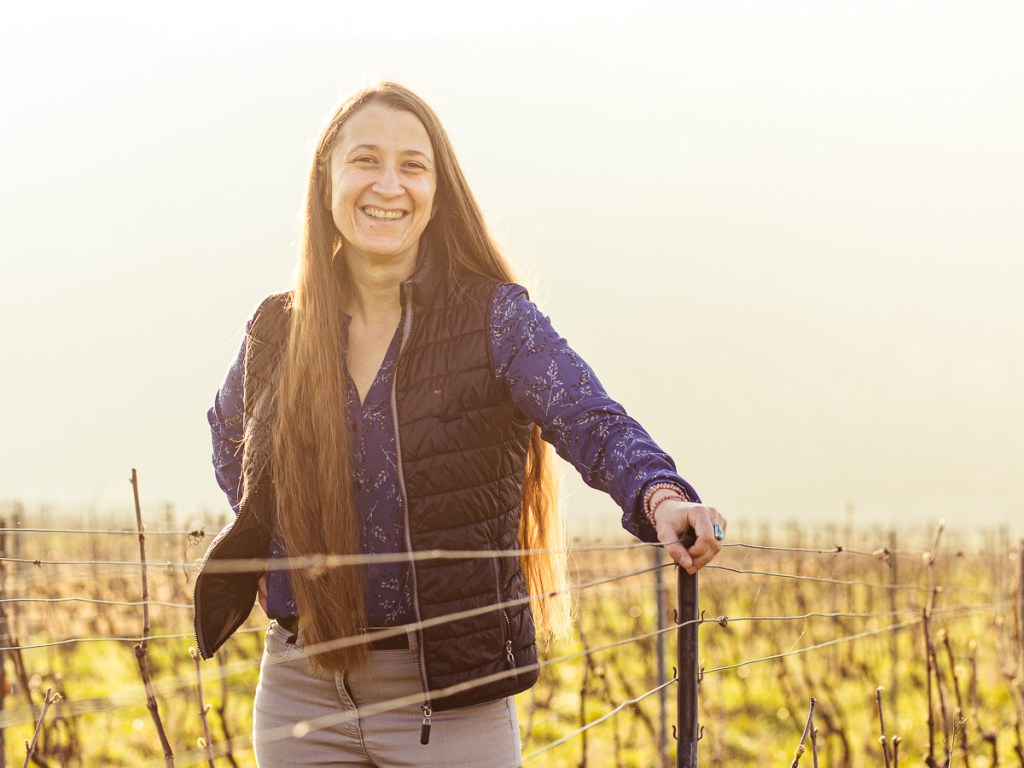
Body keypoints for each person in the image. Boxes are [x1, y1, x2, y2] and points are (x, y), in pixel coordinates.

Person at [193, 81, 726, 767]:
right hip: (301, 696)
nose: (389, 184)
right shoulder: (277, 328)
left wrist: (660, 495)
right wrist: (270, 534)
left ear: (438, 191)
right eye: (365, 161)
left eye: (413, 165)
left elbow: (588, 417)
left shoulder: (495, 320)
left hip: (450, 704)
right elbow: (227, 432)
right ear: (326, 181)